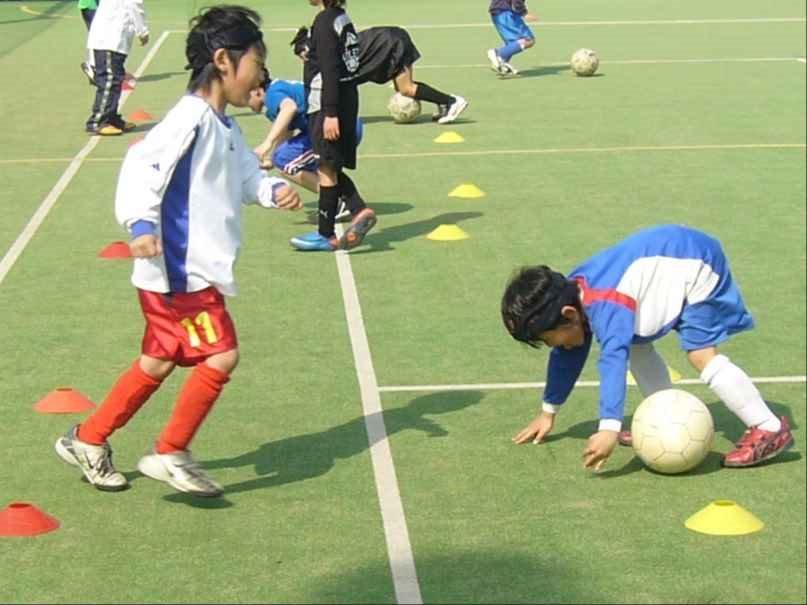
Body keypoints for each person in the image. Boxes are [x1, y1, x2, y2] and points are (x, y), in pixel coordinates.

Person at [55, 5, 302, 498]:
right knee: (222, 355)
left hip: (189, 271)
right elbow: (141, 166)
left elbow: (246, 178)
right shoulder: (188, 120)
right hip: (179, 271)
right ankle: (172, 450)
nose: (259, 75)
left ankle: (88, 437)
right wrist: (141, 223)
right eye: (256, 61)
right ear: (224, 60)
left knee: (158, 362)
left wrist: (272, 191)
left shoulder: (225, 129)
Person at [500, 224, 793, 471]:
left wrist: (609, 428)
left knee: (700, 354)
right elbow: (567, 357)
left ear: (568, 315)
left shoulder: (605, 303)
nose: (555, 346)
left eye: (550, 339)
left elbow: (613, 360)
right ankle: (666, 418)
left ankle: (768, 427)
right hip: (672, 264)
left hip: (698, 264)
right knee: (636, 345)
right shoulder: (574, 297)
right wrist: (548, 412)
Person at [289, 0, 376, 253]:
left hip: (328, 102)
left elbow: (329, 68)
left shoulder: (324, 20)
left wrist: (329, 112)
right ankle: (359, 209)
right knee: (330, 163)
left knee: (325, 166)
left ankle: (325, 234)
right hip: (347, 97)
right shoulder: (341, 18)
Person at [291, 24, 468, 124]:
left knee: (406, 88)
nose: (304, 61)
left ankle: (452, 102)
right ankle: (445, 103)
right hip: (390, 39)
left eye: (303, 56)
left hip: (391, 43)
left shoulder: (331, 57)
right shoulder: (331, 48)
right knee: (403, 87)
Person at [247, 77, 365, 221]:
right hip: (345, 124)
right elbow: (286, 132)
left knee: (284, 160)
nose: (246, 102)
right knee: (283, 159)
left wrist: (267, 143)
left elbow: (289, 108)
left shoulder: (272, 95)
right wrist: (271, 159)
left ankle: (335, 201)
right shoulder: (278, 89)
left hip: (333, 129)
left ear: (258, 91)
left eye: (247, 95)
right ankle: (342, 199)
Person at [85, 0, 149, 135]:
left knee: (116, 80)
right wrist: (142, 31)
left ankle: (111, 117)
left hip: (115, 39)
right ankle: (98, 121)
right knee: (109, 81)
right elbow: (135, 5)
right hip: (109, 39)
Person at [487, 0, 535, 76]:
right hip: (505, 13)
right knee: (528, 40)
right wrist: (524, 13)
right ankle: (498, 54)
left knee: (513, 42)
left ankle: (502, 63)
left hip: (498, 12)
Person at [78, 0, 99, 84]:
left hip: (89, 6)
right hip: (90, 6)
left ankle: (94, 66)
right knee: (97, 35)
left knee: (96, 35)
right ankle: (92, 66)